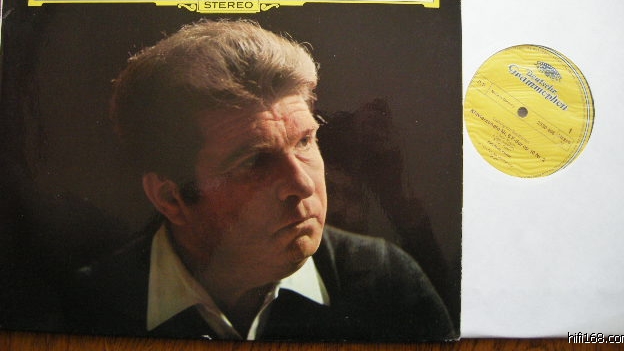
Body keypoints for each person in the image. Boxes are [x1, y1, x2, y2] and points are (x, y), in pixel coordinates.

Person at [67, 19, 454, 341]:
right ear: (171, 198)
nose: (303, 185)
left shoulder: (388, 282)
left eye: (304, 141)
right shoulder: (84, 307)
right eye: (253, 161)